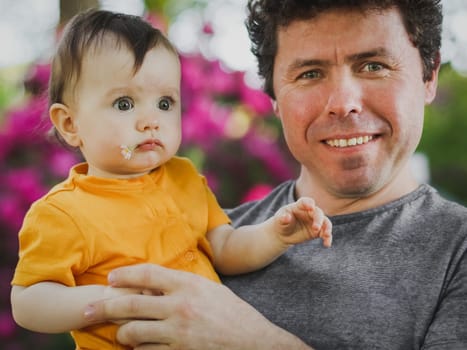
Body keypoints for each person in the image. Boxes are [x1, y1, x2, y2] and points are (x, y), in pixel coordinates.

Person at [79, 0, 467, 349]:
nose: (344, 103)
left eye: (373, 66)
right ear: (274, 98)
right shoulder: (205, 241)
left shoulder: (457, 251)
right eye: (310, 74)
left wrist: (251, 340)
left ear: (428, 76)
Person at [9, 9, 333, 350]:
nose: (151, 120)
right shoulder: (63, 212)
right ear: (70, 124)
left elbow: (224, 248)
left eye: (165, 102)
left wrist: (275, 234)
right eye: (123, 103)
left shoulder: (184, 179)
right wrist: (108, 301)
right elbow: (28, 301)